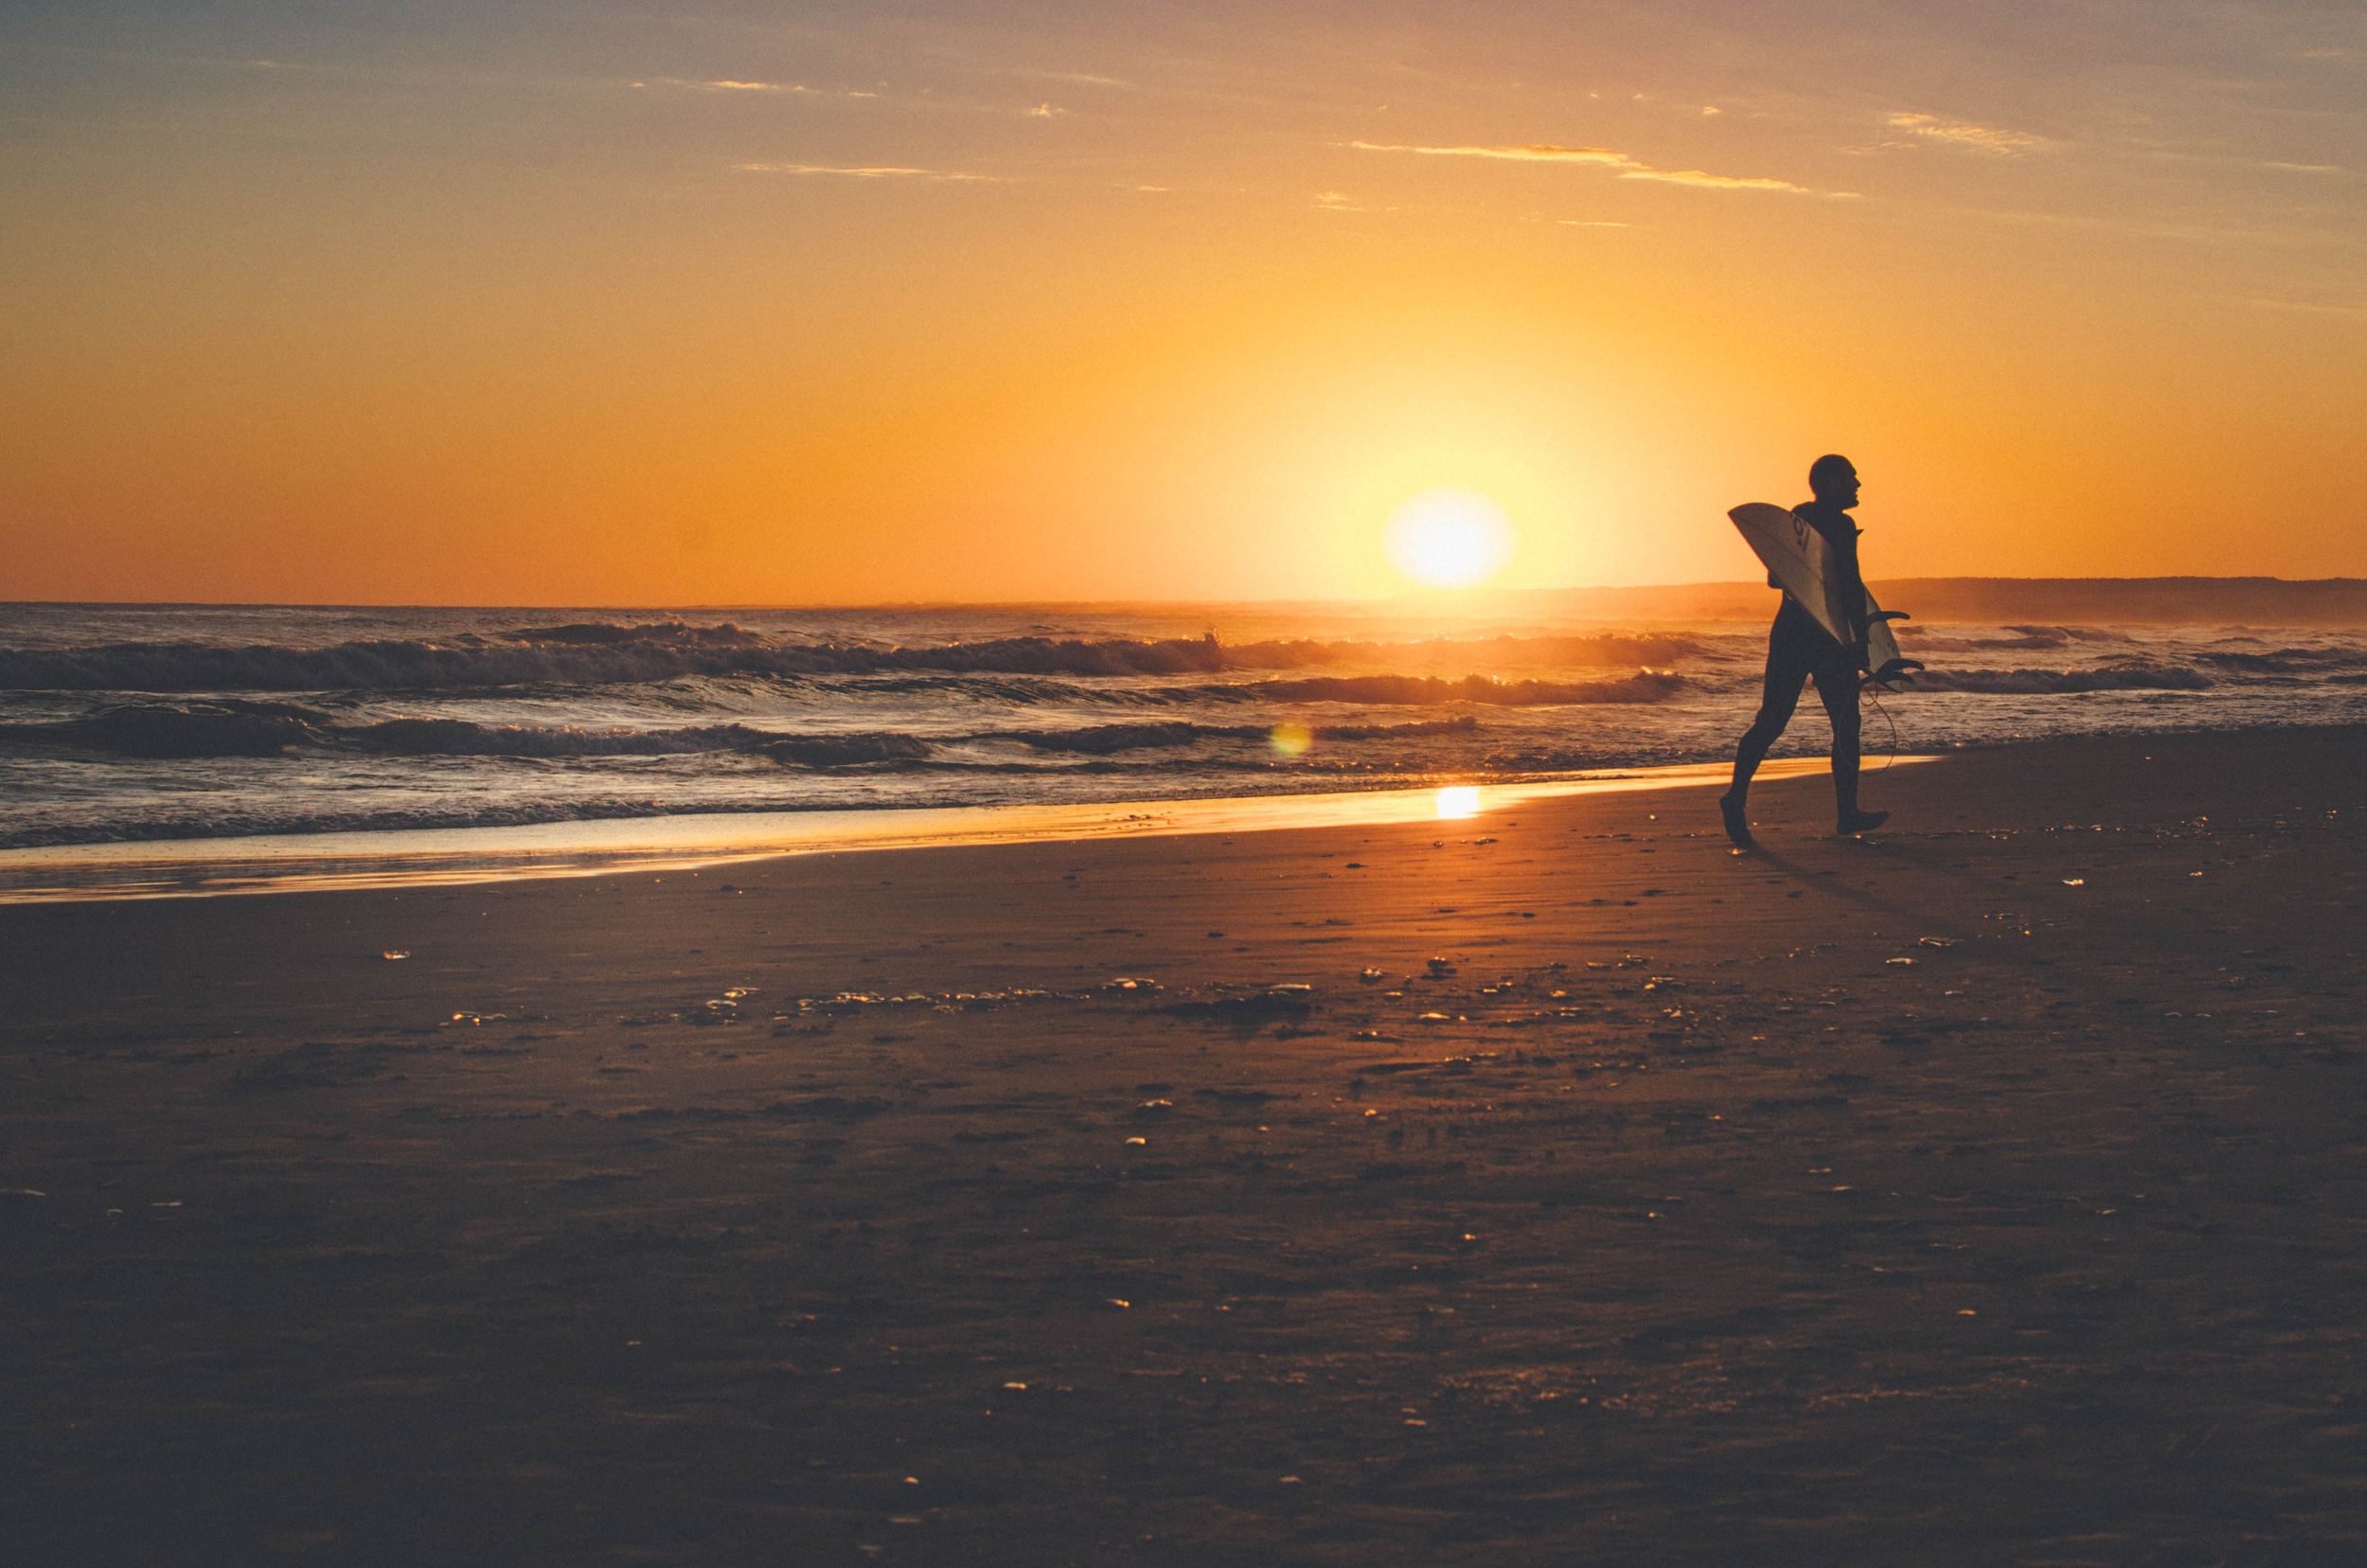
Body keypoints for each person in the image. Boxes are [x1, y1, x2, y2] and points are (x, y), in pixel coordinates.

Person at [1719, 454, 1889, 847]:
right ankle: (1841, 813)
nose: (1858, 484)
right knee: (1823, 724)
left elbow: (1778, 581)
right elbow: (1847, 587)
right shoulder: (1835, 525)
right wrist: (1862, 643)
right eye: (1851, 477)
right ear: (1830, 482)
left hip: (1797, 634)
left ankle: (1738, 798)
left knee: (1783, 722)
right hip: (1819, 638)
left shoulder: (1799, 518)